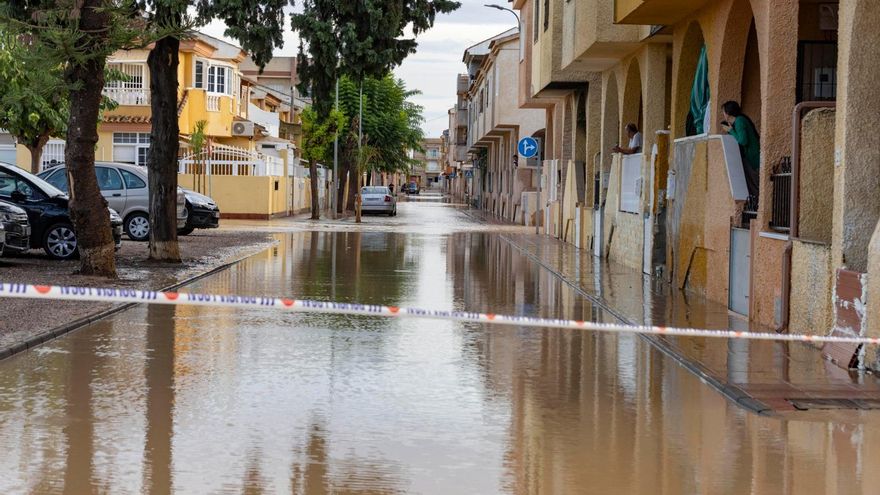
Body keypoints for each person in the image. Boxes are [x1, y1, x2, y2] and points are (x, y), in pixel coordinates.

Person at [720, 100, 760, 199]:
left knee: (755, 185)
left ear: (728, 113)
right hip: (750, 158)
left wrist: (731, 131)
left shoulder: (739, 121)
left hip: (752, 158)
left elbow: (743, 141)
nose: (723, 114)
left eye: (723, 112)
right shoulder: (739, 120)